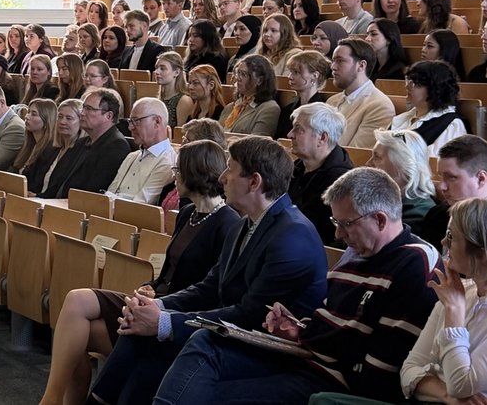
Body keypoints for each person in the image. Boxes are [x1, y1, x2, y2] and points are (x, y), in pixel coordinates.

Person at [155, 167, 439, 405]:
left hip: (332, 384)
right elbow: (331, 322)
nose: (338, 235)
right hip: (305, 360)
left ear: (379, 219)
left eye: (346, 223)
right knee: (204, 343)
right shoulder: (359, 253)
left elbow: (379, 371)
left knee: (206, 394)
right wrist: (297, 330)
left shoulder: (413, 263)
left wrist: (314, 342)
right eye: (335, 222)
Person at [87, 136, 328, 405]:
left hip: (266, 349)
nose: (222, 177)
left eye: (231, 169)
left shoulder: (292, 235)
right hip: (231, 332)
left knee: (161, 336)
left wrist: (163, 321)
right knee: (140, 331)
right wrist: (157, 305)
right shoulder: (243, 224)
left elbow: (251, 315)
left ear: (254, 181)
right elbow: (210, 286)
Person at [39, 140, 239, 405]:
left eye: (178, 170)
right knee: (76, 301)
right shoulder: (188, 213)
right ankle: (52, 399)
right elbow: (168, 272)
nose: (173, 175)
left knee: (77, 335)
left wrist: (157, 304)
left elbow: (210, 289)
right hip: (157, 300)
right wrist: (149, 287)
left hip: (175, 313)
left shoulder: (228, 222)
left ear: (196, 172)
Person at [397, 198, 487, 405]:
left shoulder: (454, 299)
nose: (443, 242)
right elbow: (409, 370)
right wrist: (449, 397)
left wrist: (454, 312)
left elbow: (460, 384)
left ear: (481, 253)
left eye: (451, 236)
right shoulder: (458, 292)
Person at [287, 102, 354, 245]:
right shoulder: (298, 166)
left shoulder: (340, 181)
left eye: (298, 129)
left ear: (322, 137)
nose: (289, 135)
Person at [50, 88, 130, 198]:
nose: (82, 113)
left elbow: (94, 191)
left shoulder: (116, 146)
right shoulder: (82, 142)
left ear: (108, 116)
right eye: (83, 108)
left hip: (78, 209)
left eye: (89, 109)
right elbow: (58, 180)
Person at [326, 38, 396, 148]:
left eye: (340, 60)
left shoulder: (380, 106)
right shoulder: (331, 101)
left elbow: (356, 155)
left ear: (361, 65)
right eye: (333, 60)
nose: (333, 67)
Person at [421, 135, 487, 251]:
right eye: (441, 177)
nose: (442, 186)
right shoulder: (437, 216)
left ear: (481, 179)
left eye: (451, 177)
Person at [107, 97, 176, 204]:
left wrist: (112, 199)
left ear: (157, 121)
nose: (130, 127)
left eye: (136, 121)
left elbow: (140, 206)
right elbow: (109, 194)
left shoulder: (167, 162)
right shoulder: (132, 156)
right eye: (130, 121)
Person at [367, 129, 436, 233]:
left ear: (402, 165)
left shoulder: (419, 212)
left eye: (377, 157)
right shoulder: (379, 198)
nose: (368, 163)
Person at [391, 60, 467, 156]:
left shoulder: (450, 124)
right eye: (408, 80)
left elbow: (434, 163)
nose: (407, 86)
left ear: (434, 89)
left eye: (415, 83)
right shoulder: (402, 119)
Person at [275, 50, 332, 139]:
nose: (290, 76)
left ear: (314, 75)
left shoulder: (323, 111)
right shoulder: (287, 110)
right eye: (291, 72)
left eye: (296, 72)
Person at [34, 99, 84, 198]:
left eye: (69, 118)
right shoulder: (52, 149)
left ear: (81, 122)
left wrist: (37, 196)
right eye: (60, 117)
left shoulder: (80, 153)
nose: (62, 122)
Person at [219, 55, 280, 136]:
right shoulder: (231, 106)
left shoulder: (269, 108)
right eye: (238, 73)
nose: (238, 78)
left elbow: (257, 143)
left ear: (260, 80)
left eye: (244, 74)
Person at [12, 98, 56, 184]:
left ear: (47, 120)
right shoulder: (28, 146)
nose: (27, 117)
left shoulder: (49, 150)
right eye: (28, 112)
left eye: (34, 114)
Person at [155, 51, 194, 128]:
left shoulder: (184, 100)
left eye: (162, 68)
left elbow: (179, 134)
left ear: (176, 72)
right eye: (156, 68)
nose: (157, 72)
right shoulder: (160, 99)